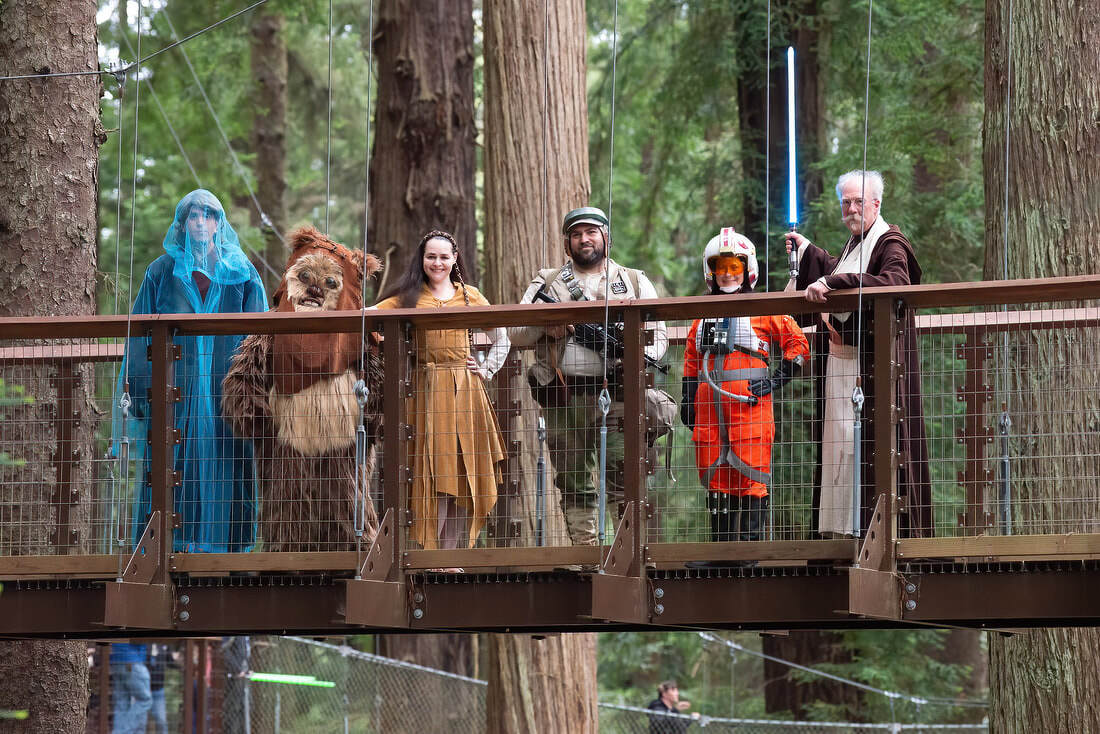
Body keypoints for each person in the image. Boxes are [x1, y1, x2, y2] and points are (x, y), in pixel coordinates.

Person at [113, 189, 268, 552]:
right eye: (193, 216)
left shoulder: (242, 273)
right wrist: (137, 391)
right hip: (173, 394)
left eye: (208, 216)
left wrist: (256, 395)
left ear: (219, 223)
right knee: (170, 464)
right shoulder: (161, 271)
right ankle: (167, 547)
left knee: (230, 463)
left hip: (227, 394)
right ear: (182, 225)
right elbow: (139, 337)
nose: (200, 223)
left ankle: (230, 551)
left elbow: (261, 336)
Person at [509, 206, 670, 551]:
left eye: (592, 232)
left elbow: (658, 340)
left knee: (624, 475)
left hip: (620, 393)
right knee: (573, 479)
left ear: (606, 238)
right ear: (567, 243)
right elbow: (516, 333)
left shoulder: (633, 280)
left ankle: (627, 554)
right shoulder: (548, 282)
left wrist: (629, 343)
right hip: (565, 395)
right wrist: (546, 323)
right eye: (577, 234)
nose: (585, 239)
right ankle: (588, 554)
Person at [785, 169, 931, 538]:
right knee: (837, 452)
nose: (851, 209)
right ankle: (839, 537)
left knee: (861, 450)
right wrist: (809, 255)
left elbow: (893, 283)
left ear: (876, 204)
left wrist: (832, 282)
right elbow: (844, 271)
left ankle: (868, 536)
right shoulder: (856, 243)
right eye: (845, 202)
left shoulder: (890, 243)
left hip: (868, 369)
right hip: (839, 364)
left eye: (858, 202)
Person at [375, 230, 508, 558]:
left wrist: (486, 369)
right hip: (425, 390)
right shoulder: (408, 296)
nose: (437, 262)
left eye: (444, 257)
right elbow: (370, 319)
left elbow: (501, 336)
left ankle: (450, 558)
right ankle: (432, 556)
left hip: (467, 391)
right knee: (433, 475)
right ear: (422, 259)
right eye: (431, 256)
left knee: (463, 474)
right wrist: (387, 352)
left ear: (455, 258)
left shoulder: (470, 296)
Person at [681, 228, 809, 563]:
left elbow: (798, 346)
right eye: (720, 268)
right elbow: (692, 360)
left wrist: (778, 379)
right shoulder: (701, 317)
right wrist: (686, 397)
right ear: (710, 272)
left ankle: (749, 553)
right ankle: (720, 552)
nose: (726, 274)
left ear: (747, 268)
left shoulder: (766, 309)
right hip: (710, 411)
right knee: (716, 477)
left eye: (733, 268)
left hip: (750, 408)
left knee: (751, 475)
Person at [109, 642, 151, 734]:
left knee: (121, 704)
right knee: (145, 701)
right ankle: (125, 730)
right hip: (133, 660)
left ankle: (119, 732)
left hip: (117, 661)